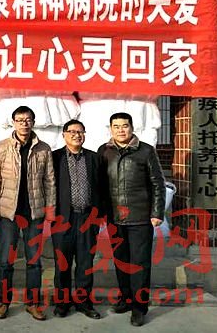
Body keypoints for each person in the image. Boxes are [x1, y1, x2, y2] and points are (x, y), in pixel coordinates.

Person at [98, 112, 165, 327]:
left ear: (132, 127)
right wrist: (100, 213)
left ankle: (139, 308)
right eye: (116, 126)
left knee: (140, 264)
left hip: (140, 217)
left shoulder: (145, 151)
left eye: (124, 126)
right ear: (110, 128)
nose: (121, 130)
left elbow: (157, 183)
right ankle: (125, 299)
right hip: (114, 217)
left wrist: (157, 212)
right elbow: (100, 184)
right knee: (121, 261)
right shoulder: (104, 151)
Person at [0, 105, 56, 321]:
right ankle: (3, 302)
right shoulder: (2, 147)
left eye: (28, 120)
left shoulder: (43, 148)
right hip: (9, 213)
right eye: (19, 120)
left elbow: (50, 181)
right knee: (5, 260)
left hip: (34, 213)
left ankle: (33, 303)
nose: (24, 124)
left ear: (33, 122)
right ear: (13, 123)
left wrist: (50, 210)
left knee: (34, 261)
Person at [52, 119, 104, 320]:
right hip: (63, 219)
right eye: (72, 131)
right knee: (62, 263)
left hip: (87, 218)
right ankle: (62, 303)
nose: (76, 135)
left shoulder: (94, 158)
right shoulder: (55, 158)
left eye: (80, 132)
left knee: (85, 263)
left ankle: (84, 303)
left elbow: (102, 188)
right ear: (64, 134)